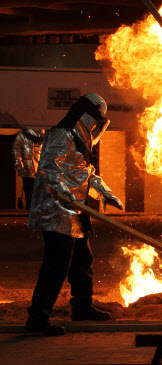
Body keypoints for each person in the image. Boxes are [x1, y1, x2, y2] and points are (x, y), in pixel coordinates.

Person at [25, 93, 124, 336]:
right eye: (98, 118)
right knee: (56, 264)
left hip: (74, 211)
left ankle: (82, 307)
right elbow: (48, 169)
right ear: (88, 116)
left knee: (82, 259)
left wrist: (106, 192)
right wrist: (64, 195)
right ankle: (38, 317)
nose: (99, 125)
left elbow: (86, 173)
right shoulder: (62, 134)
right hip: (57, 211)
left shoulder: (80, 139)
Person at [12, 128, 44, 210]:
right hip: (28, 166)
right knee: (28, 187)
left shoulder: (43, 134)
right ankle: (30, 205)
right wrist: (18, 163)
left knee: (35, 188)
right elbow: (16, 149)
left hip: (37, 166)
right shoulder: (22, 135)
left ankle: (34, 205)